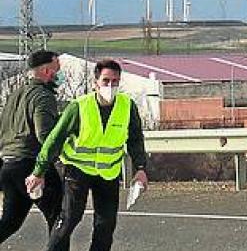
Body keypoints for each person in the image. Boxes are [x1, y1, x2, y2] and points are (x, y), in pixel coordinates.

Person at [26, 59, 148, 251]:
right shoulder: (79, 107)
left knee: (105, 225)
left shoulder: (127, 106)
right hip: (77, 170)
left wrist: (140, 168)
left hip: (108, 172)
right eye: (106, 81)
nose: (110, 86)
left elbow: (135, 139)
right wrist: (38, 171)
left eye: (115, 82)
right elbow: (54, 140)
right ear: (95, 83)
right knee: (69, 219)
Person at [0, 50, 64, 244]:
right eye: (56, 70)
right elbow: (45, 135)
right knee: (60, 218)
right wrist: (59, 156)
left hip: (8, 166)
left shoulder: (14, 95)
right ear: (46, 71)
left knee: (11, 221)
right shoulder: (43, 97)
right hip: (32, 164)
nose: (58, 75)